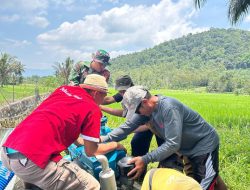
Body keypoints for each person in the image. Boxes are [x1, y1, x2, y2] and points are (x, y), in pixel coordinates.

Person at [1, 74, 126, 190]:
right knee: (92, 185)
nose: (104, 99)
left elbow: (67, 129)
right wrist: (116, 145)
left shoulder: (63, 90)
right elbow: (91, 151)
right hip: (30, 161)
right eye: (103, 95)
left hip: (8, 152)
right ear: (95, 93)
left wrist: (88, 141)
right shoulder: (91, 107)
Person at [101, 86, 227, 190]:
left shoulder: (168, 108)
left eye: (137, 111)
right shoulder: (147, 111)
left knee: (203, 185)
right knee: (196, 180)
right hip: (187, 149)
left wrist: (145, 159)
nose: (137, 115)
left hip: (203, 146)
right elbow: (126, 127)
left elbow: (173, 144)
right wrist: (103, 140)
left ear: (144, 102)